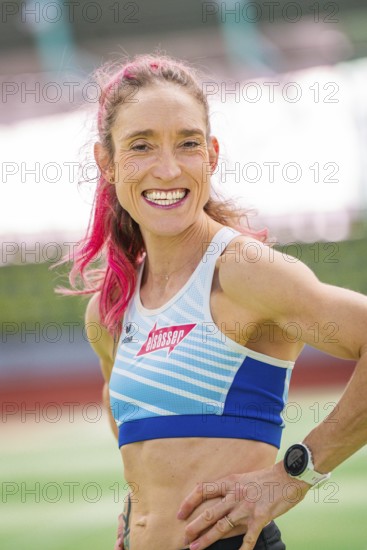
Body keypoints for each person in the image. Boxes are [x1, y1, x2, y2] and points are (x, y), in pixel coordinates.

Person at [64, 54, 367, 550]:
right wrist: (135, 519)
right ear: (108, 163)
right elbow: (136, 433)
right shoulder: (110, 310)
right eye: (141, 146)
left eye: (188, 144)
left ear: (212, 155)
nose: (168, 168)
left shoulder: (242, 271)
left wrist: (294, 475)